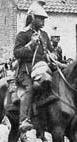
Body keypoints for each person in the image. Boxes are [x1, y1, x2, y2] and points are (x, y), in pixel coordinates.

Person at [14, 2, 54, 132]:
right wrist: (31, 44)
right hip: (26, 70)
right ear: (32, 18)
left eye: (43, 19)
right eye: (40, 18)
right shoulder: (23, 34)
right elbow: (16, 53)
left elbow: (50, 50)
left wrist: (52, 57)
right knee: (29, 88)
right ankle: (24, 119)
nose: (43, 21)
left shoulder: (44, 35)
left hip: (43, 69)